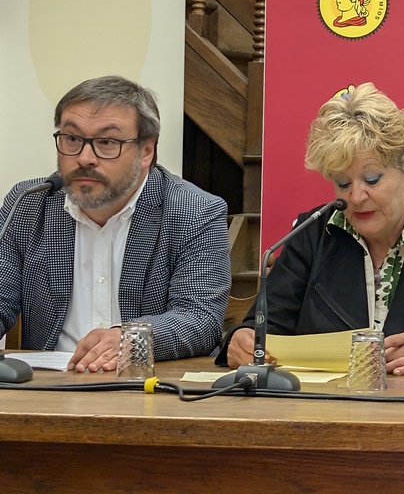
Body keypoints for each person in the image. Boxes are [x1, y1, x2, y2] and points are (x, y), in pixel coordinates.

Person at [218, 83, 404, 374]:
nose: (356, 197)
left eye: (372, 179)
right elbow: (263, 328)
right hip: (322, 402)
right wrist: (241, 339)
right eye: (342, 183)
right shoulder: (313, 233)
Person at [0, 76, 231, 371]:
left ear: (146, 151)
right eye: (72, 139)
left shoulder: (193, 210)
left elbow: (200, 319)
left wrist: (131, 339)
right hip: (48, 384)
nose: (85, 158)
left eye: (107, 142)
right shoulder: (30, 204)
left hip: (145, 384)